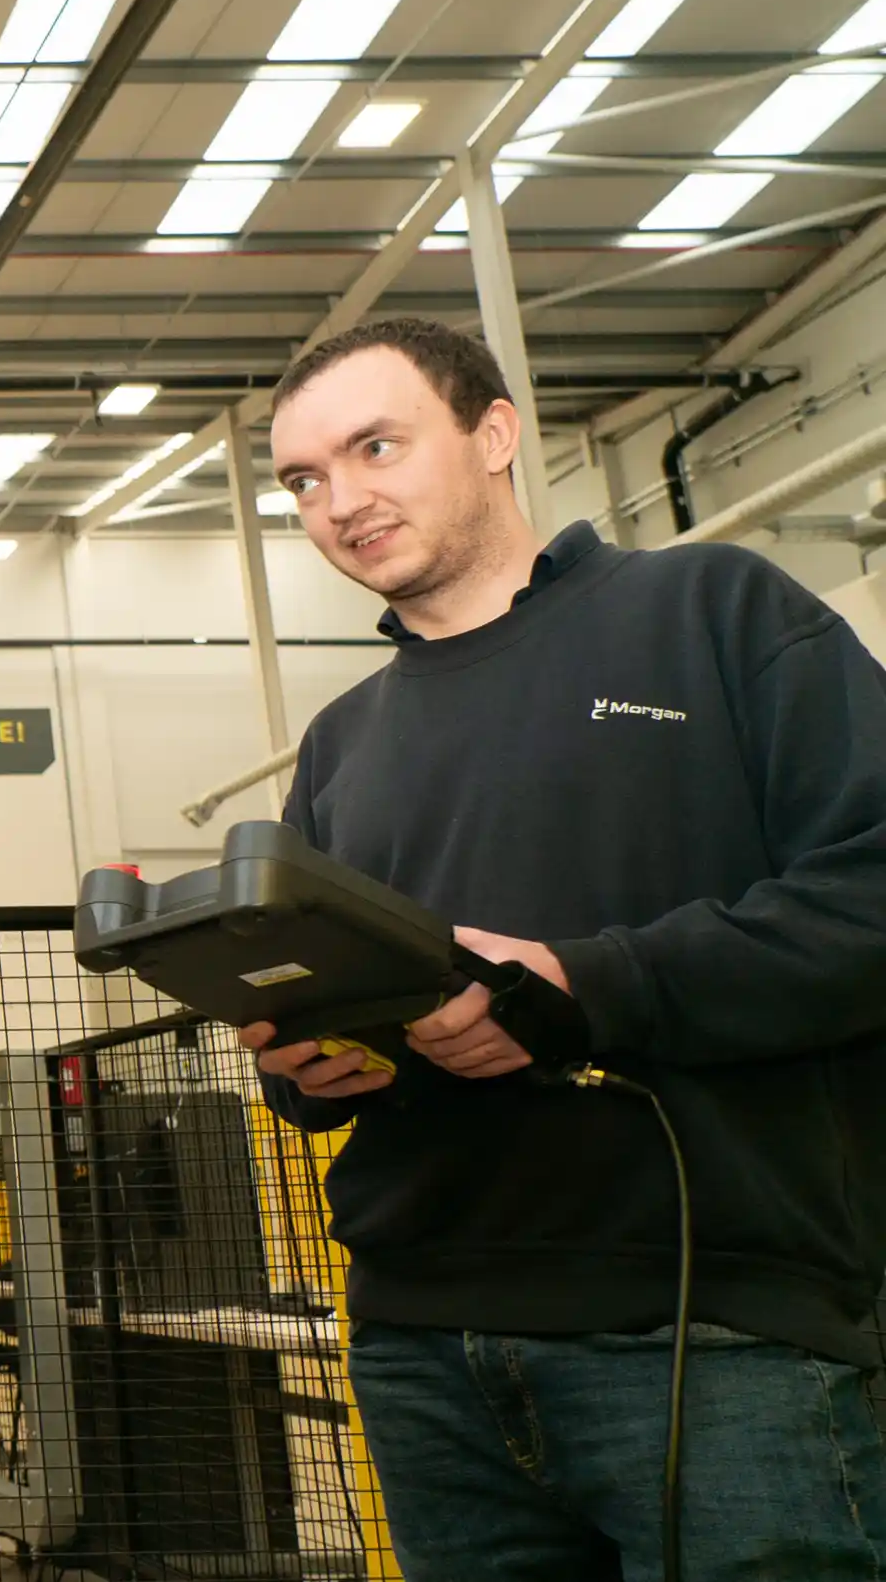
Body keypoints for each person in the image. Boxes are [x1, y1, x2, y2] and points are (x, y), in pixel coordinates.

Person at [245, 316, 886, 1579]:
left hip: (716, 1336)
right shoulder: (339, 742)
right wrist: (303, 1068)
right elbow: (334, 1004)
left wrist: (591, 982)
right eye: (305, 480)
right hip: (424, 1351)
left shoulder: (713, 612)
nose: (342, 501)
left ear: (494, 434)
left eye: (376, 445)